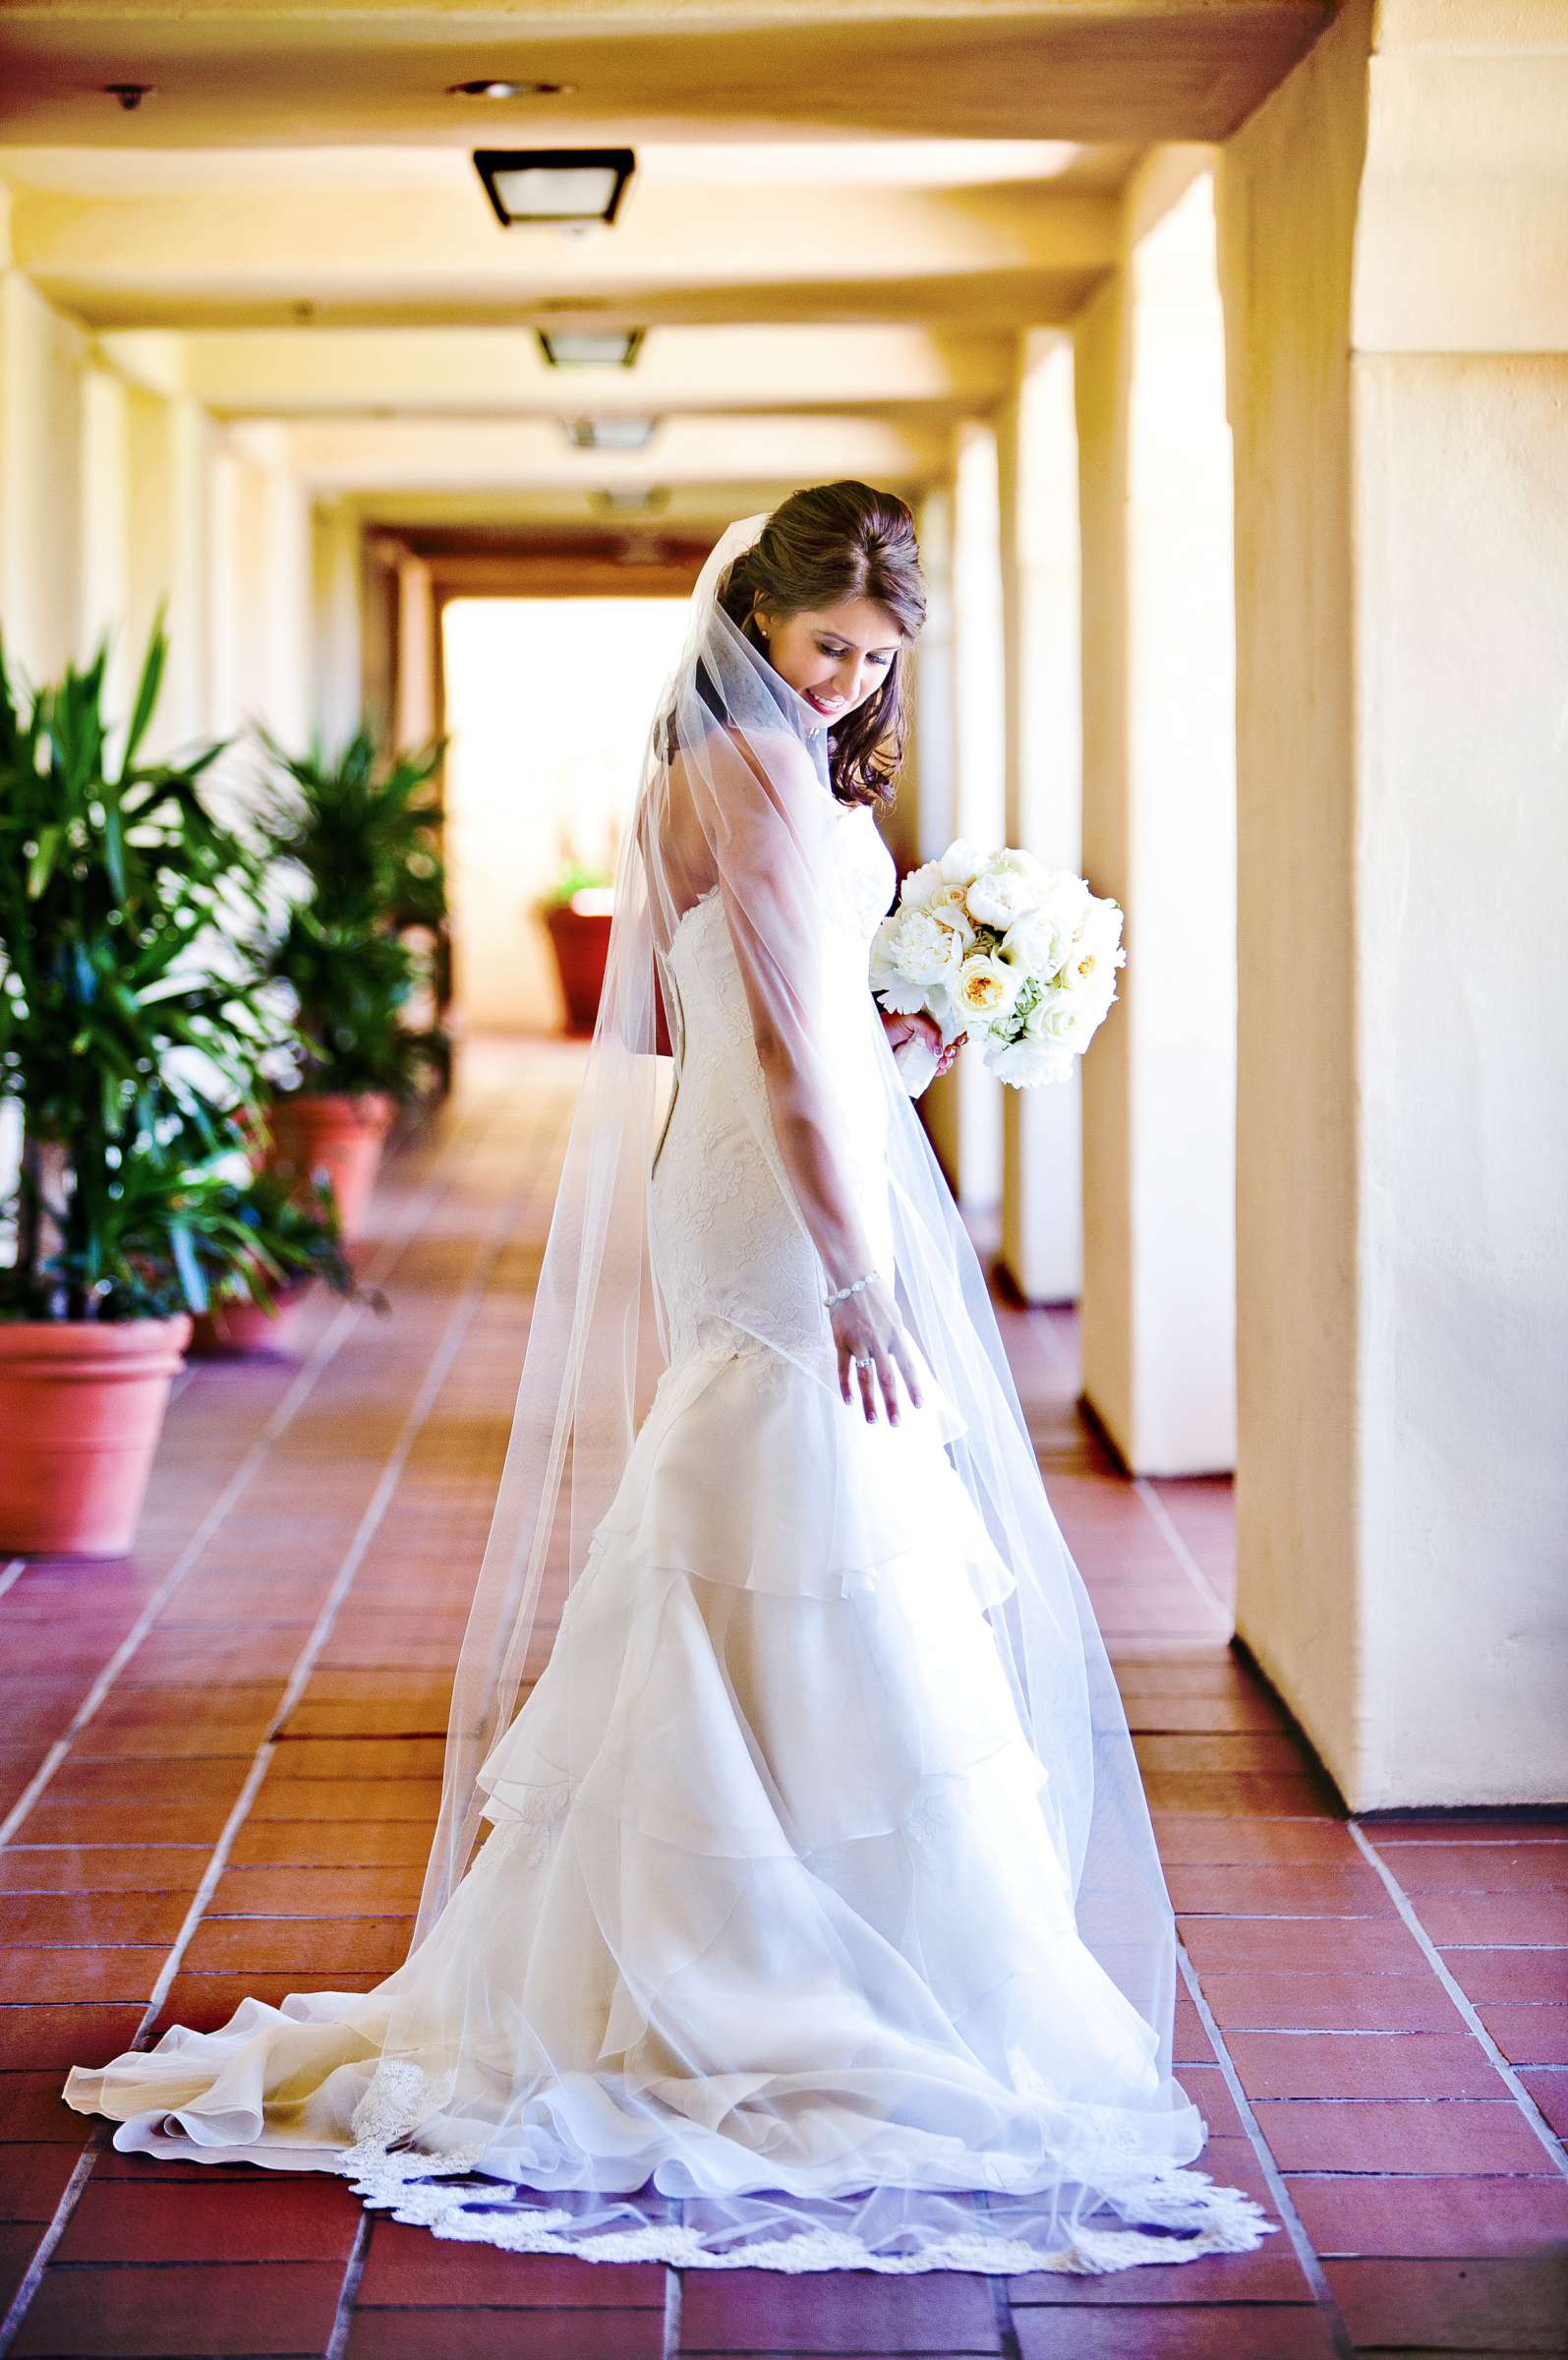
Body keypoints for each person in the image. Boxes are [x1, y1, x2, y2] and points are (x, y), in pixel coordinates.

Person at [63, 482, 1274, 2277]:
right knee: (806, 1497)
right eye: (829, 645)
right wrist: (862, 1277)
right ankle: (770, 1959)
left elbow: (761, 1023)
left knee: (784, 1520)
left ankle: (784, 1912)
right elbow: (783, 1062)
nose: (854, 682)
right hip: (783, 1203)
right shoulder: (750, 778)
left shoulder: (744, 769)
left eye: (879, 660)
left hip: (767, 1173)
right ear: (762, 618)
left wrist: (932, 1018)